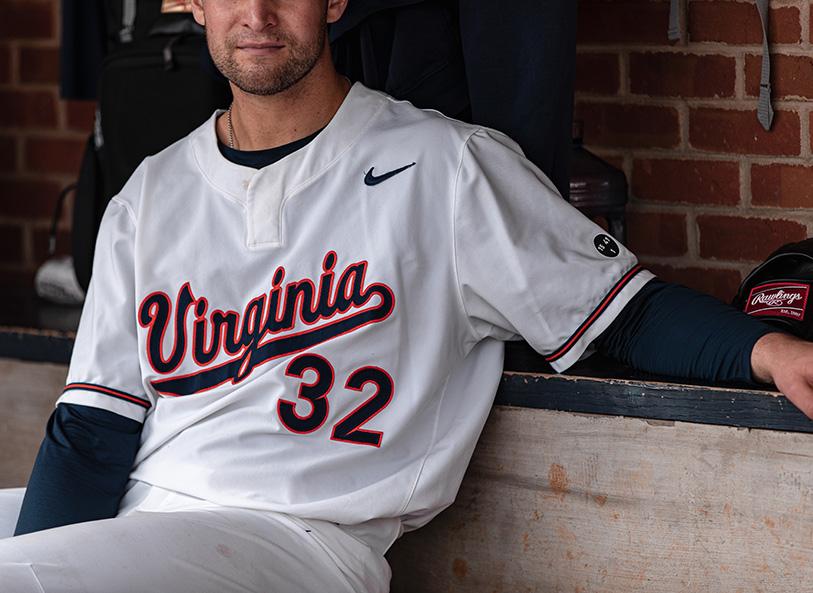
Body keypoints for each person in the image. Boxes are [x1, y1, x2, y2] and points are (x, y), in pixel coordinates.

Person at [1, 0, 812, 591]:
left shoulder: (445, 166)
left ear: (336, 3)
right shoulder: (149, 193)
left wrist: (767, 348)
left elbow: (619, 310)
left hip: (295, 541)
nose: (256, 13)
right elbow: (93, 428)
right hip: (144, 526)